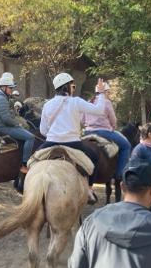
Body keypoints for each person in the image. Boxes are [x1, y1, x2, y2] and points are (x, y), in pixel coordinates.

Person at [39, 73, 106, 203]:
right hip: (73, 143)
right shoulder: (76, 102)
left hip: (51, 143)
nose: (73, 89)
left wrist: (56, 135)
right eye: (72, 86)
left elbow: (43, 130)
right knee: (95, 157)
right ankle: (89, 190)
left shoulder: (47, 105)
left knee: (32, 161)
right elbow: (99, 110)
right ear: (67, 86)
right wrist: (101, 93)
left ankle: (26, 189)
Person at [81, 82, 131, 180]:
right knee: (126, 146)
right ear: (104, 92)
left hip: (87, 132)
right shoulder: (106, 102)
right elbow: (113, 119)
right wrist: (113, 126)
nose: (108, 94)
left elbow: (82, 120)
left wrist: (88, 125)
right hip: (104, 132)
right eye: (108, 92)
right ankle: (119, 173)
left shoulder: (87, 102)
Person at [0, 74, 35, 173]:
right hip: (2, 126)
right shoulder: (1, 98)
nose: (11, 90)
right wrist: (17, 123)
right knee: (31, 137)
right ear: (3, 87)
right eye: (10, 88)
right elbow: (5, 118)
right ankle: (25, 164)